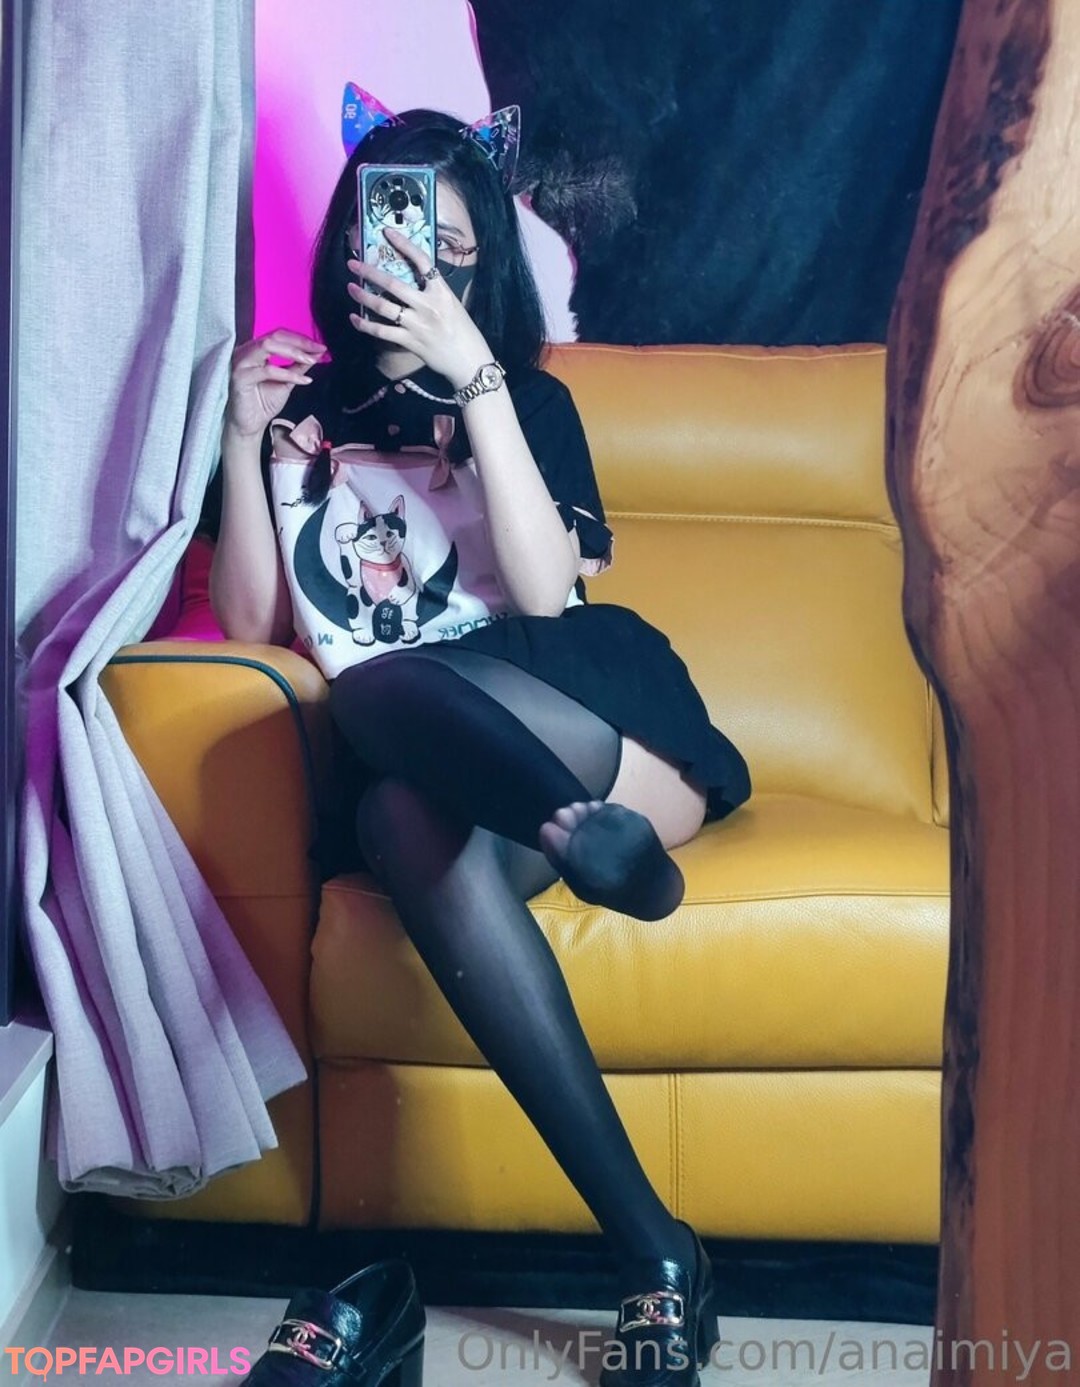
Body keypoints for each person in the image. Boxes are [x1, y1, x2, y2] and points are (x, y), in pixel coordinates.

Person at [213, 108, 751, 1387]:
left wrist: (478, 381)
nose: (422, 269)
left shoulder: (530, 400)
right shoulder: (305, 413)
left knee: (387, 697)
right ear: (351, 245)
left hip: (586, 715)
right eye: (398, 237)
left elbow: (552, 598)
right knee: (393, 805)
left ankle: (574, 814)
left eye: (453, 251)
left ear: (484, 267)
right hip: (437, 766)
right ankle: (657, 1251)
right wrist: (241, 443)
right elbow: (251, 627)